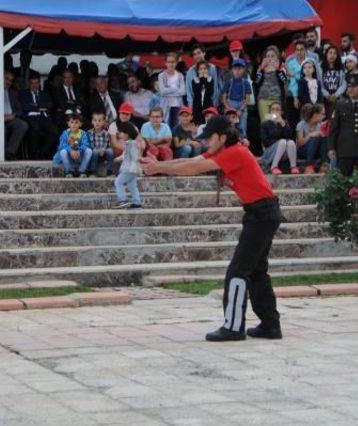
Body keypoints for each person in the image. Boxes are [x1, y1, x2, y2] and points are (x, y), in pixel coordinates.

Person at [141, 115, 283, 342]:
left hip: (262, 214)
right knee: (256, 271)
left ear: (222, 137)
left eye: (209, 138)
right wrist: (158, 166)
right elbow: (190, 161)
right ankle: (270, 324)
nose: (205, 142)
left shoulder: (234, 152)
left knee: (238, 272)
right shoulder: (222, 151)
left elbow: (194, 167)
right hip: (261, 213)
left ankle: (234, 327)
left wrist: (158, 167)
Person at [0, 70, 28, 161]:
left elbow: (19, 109)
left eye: (10, 80)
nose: (8, 82)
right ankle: (3, 153)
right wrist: (0, 116)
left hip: (10, 117)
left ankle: (9, 152)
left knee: (22, 125)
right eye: (6, 79)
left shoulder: (13, 93)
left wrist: (13, 116)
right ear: (0, 78)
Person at [20, 75, 58, 160]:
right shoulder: (24, 94)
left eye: (36, 83)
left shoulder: (44, 93)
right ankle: (34, 155)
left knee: (54, 131)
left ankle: (43, 152)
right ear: (28, 84)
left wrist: (34, 106)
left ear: (39, 84)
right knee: (35, 129)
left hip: (44, 118)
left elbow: (50, 105)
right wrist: (39, 108)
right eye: (32, 83)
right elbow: (24, 106)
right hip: (30, 118)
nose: (34, 85)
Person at [260, 101, 299, 175]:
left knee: (290, 142)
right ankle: (274, 166)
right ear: (270, 111)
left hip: (283, 152)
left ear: (281, 112)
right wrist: (279, 142)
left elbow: (290, 137)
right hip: (270, 152)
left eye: (277, 109)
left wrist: (282, 123)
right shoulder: (265, 124)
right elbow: (265, 142)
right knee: (283, 141)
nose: (275, 111)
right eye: (273, 109)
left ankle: (293, 166)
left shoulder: (284, 123)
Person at [114, 121, 144, 209]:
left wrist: (139, 159)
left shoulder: (132, 144)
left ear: (127, 133)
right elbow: (125, 155)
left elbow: (135, 156)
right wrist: (118, 158)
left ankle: (122, 200)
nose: (119, 134)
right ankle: (137, 202)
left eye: (121, 132)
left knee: (118, 182)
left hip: (130, 169)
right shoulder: (129, 143)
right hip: (131, 169)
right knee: (132, 185)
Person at [255, 46, 289, 124]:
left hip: (276, 99)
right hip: (263, 99)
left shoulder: (281, 68)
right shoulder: (260, 69)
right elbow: (256, 82)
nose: (270, 58)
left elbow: (284, 81)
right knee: (264, 121)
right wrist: (261, 70)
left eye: (272, 56)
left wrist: (278, 70)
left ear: (277, 58)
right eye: (268, 56)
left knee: (275, 121)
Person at [53, 113, 92, 178]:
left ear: (80, 124)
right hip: (69, 156)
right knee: (63, 152)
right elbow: (62, 146)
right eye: (72, 122)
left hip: (79, 155)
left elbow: (86, 145)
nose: (74, 124)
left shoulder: (83, 133)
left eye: (76, 122)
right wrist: (70, 150)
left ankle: (82, 171)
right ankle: (69, 171)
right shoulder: (65, 133)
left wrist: (78, 150)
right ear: (68, 123)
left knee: (89, 151)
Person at [221, 58, 252, 136]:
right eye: (235, 68)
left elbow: (247, 98)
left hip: (242, 104)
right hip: (231, 104)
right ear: (232, 69)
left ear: (244, 69)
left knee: (242, 126)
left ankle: (243, 141)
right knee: (229, 125)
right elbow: (224, 96)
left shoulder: (246, 83)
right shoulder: (229, 82)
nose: (237, 70)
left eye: (240, 68)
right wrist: (228, 108)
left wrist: (241, 109)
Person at [185, 44, 219, 110]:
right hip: (196, 106)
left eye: (199, 53)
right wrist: (191, 107)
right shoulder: (190, 71)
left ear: (204, 53)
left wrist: (214, 106)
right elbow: (189, 92)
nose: (197, 56)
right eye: (194, 54)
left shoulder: (212, 68)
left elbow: (215, 89)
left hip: (210, 105)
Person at [157, 52, 186, 129]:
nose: (171, 64)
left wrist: (168, 90)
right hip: (165, 106)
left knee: (176, 128)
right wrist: (175, 89)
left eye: (173, 62)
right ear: (165, 63)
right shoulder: (161, 75)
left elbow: (183, 91)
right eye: (169, 62)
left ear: (176, 63)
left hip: (177, 105)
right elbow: (162, 91)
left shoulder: (180, 75)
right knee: (166, 127)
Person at [296, 103, 327, 173]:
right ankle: (308, 166)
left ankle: (324, 165)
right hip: (303, 151)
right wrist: (310, 135)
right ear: (315, 114)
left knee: (323, 138)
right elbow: (300, 143)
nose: (324, 116)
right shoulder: (301, 124)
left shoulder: (319, 126)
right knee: (314, 138)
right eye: (322, 114)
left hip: (315, 151)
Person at [285, 39, 308, 126]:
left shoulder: (309, 62)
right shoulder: (291, 63)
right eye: (297, 49)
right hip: (294, 95)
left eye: (301, 49)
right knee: (293, 121)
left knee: (306, 120)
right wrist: (295, 98)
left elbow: (308, 78)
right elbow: (293, 82)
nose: (299, 52)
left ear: (306, 50)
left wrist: (295, 75)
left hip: (307, 94)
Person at [320, 45, 347, 116]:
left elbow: (344, 83)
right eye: (330, 53)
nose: (332, 55)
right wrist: (327, 95)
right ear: (326, 54)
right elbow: (319, 83)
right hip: (324, 99)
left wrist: (335, 95)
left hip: (338, 98)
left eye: (334, 53)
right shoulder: (320, 67)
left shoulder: (342, 68)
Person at [87, 111, 114, 175]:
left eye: (99, 121)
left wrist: (103, 149)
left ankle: (109, 170)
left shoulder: (106, 133)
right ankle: (92, 171)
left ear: (103, 122)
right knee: (95, 151)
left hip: (103, 151)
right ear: (92, 121)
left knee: (110, 151)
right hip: (94, 151)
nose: (97, 123)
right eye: (95, 120)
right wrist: (98, 150)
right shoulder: (89, 132)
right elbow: (90, 144)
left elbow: (107, 143)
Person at [190, 60, 216, 125]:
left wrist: (205, 79)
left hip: (207, 106)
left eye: (204, 68)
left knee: (208, 123)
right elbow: (196, 92)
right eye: (201, 69)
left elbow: (210, 92)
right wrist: (201, 79)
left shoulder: (210, 79)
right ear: (198, 71)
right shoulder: (194, 80)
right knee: (198, 123)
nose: (203, 70)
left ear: (208, 70)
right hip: (197, 106)